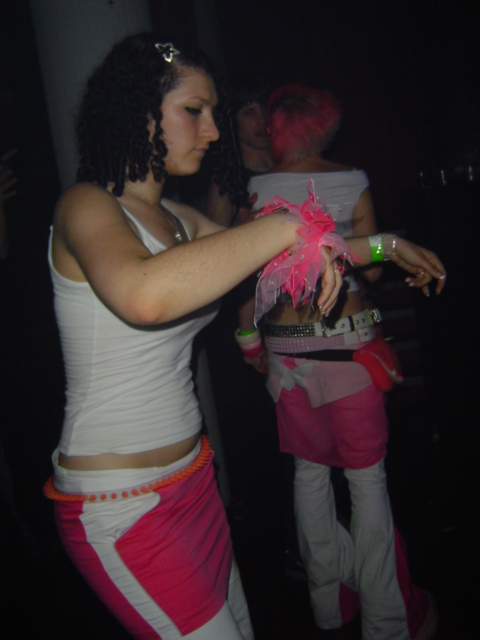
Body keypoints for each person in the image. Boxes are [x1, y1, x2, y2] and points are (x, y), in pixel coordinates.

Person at [44, 34, 443, 639]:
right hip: (120, 505)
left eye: (214, 113)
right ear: (139, 109)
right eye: (194, 110)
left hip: (193, 482)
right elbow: (144, 295)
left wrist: (386, 244)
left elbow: (290, 257)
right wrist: (283, 227)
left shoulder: (182, 220)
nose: (213, 131)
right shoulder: (87, 205)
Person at [243, 85, 443, 639]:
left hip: (287, 352)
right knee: (366, 479)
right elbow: (372, 269)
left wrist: (248, 340)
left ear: (279, 128)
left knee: (309, 474)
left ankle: (329, 605)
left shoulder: (257, 189)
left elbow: (250, 275)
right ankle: (386, 622)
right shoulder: (352, 179)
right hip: (346, 344)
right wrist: (383, 247)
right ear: (324, 128)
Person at [207, 74, 274, 227]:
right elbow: (216, 239)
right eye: (249, 112)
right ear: (232, 122)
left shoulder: (294, 164)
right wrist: (237, 229)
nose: (262, 120)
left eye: (265, 108)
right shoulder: (227, 182)